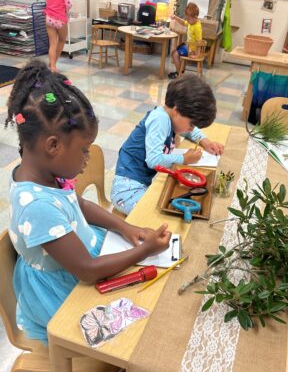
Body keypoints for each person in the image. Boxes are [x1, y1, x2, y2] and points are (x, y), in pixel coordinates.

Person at [5, 59, 171, 345]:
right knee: (139, 332)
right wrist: (143, 252)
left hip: (78, 258)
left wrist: (125, 228)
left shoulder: (45, 173)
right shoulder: (36, 205)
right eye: (83, 151)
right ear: (53, 145)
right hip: (62, 289)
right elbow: (86, 269)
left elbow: (77, 204)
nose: (87, 159)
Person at [111, 74, 223, 215]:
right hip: (127, 189)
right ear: (176, 111)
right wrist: (184, 159)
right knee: (160, 214)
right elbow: (154, 160)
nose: (192, 128)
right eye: (192, 124)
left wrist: (204, 141)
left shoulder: (171, 116)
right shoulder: (160, 120)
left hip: (142, 182)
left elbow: (187, 129)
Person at [39, 0, 72, 72]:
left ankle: (52, 66)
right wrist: (68, 13)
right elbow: (68, 4)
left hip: (49, 18)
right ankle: (53, 63)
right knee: (62, 40)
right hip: (61, 19)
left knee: (52, 43)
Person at [168, 2, 203, 79]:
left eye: (188, 19)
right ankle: (180, 71)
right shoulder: (192, 23)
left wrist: (197, 54)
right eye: (187, 18)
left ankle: (179, 74)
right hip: (189, 46)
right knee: (176, 50)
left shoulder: (197, 27)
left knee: (174, 54)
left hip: (192, 50)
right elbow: (184, 23)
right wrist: (175, 17)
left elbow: (199, 42)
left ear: (195, 17)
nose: (187, 20)